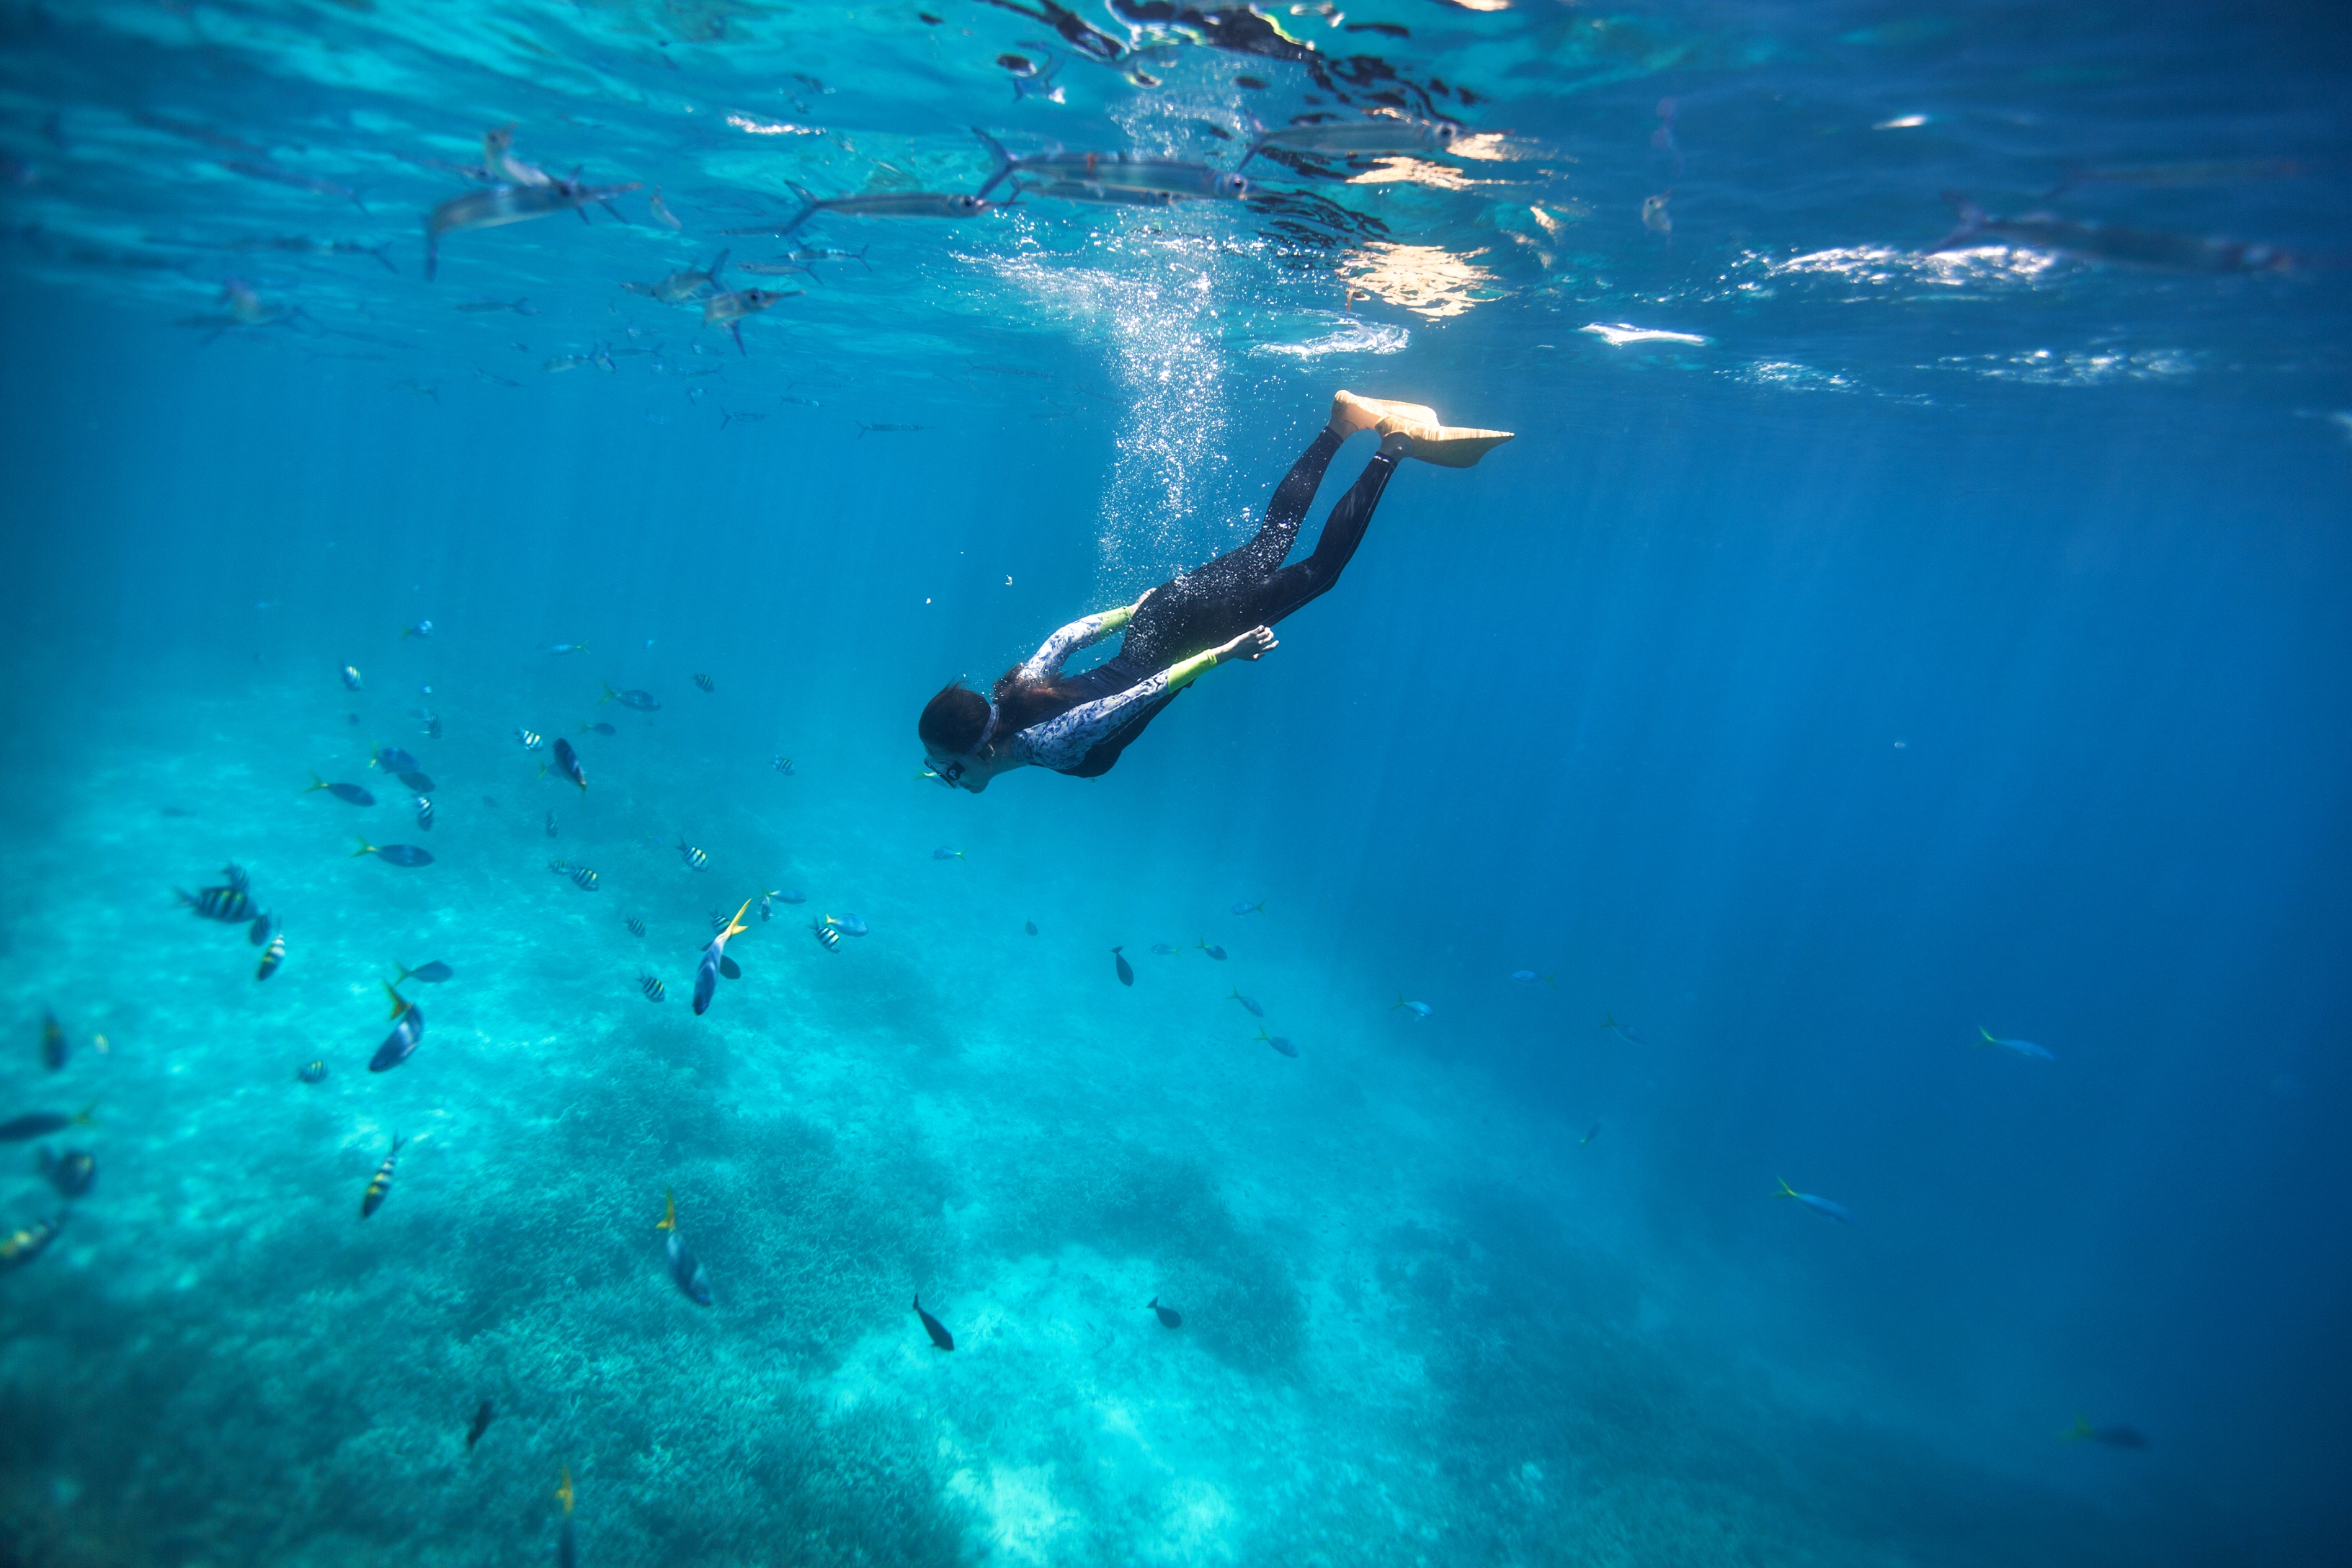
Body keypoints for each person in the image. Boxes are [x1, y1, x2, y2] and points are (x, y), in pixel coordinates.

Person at [918, 390, 1512, 790]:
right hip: (1159, 622)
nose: (948, 781)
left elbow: (1139, 695)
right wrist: (1135, 609)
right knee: (1269, 543)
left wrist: (1222, 655)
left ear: (977, 752)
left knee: (1322, 571)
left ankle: (1395, 444)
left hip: (1191, 637)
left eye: (946, 770)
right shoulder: (1015, 692)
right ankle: (1341, 423)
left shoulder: (1049, 746)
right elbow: (1065, 637)